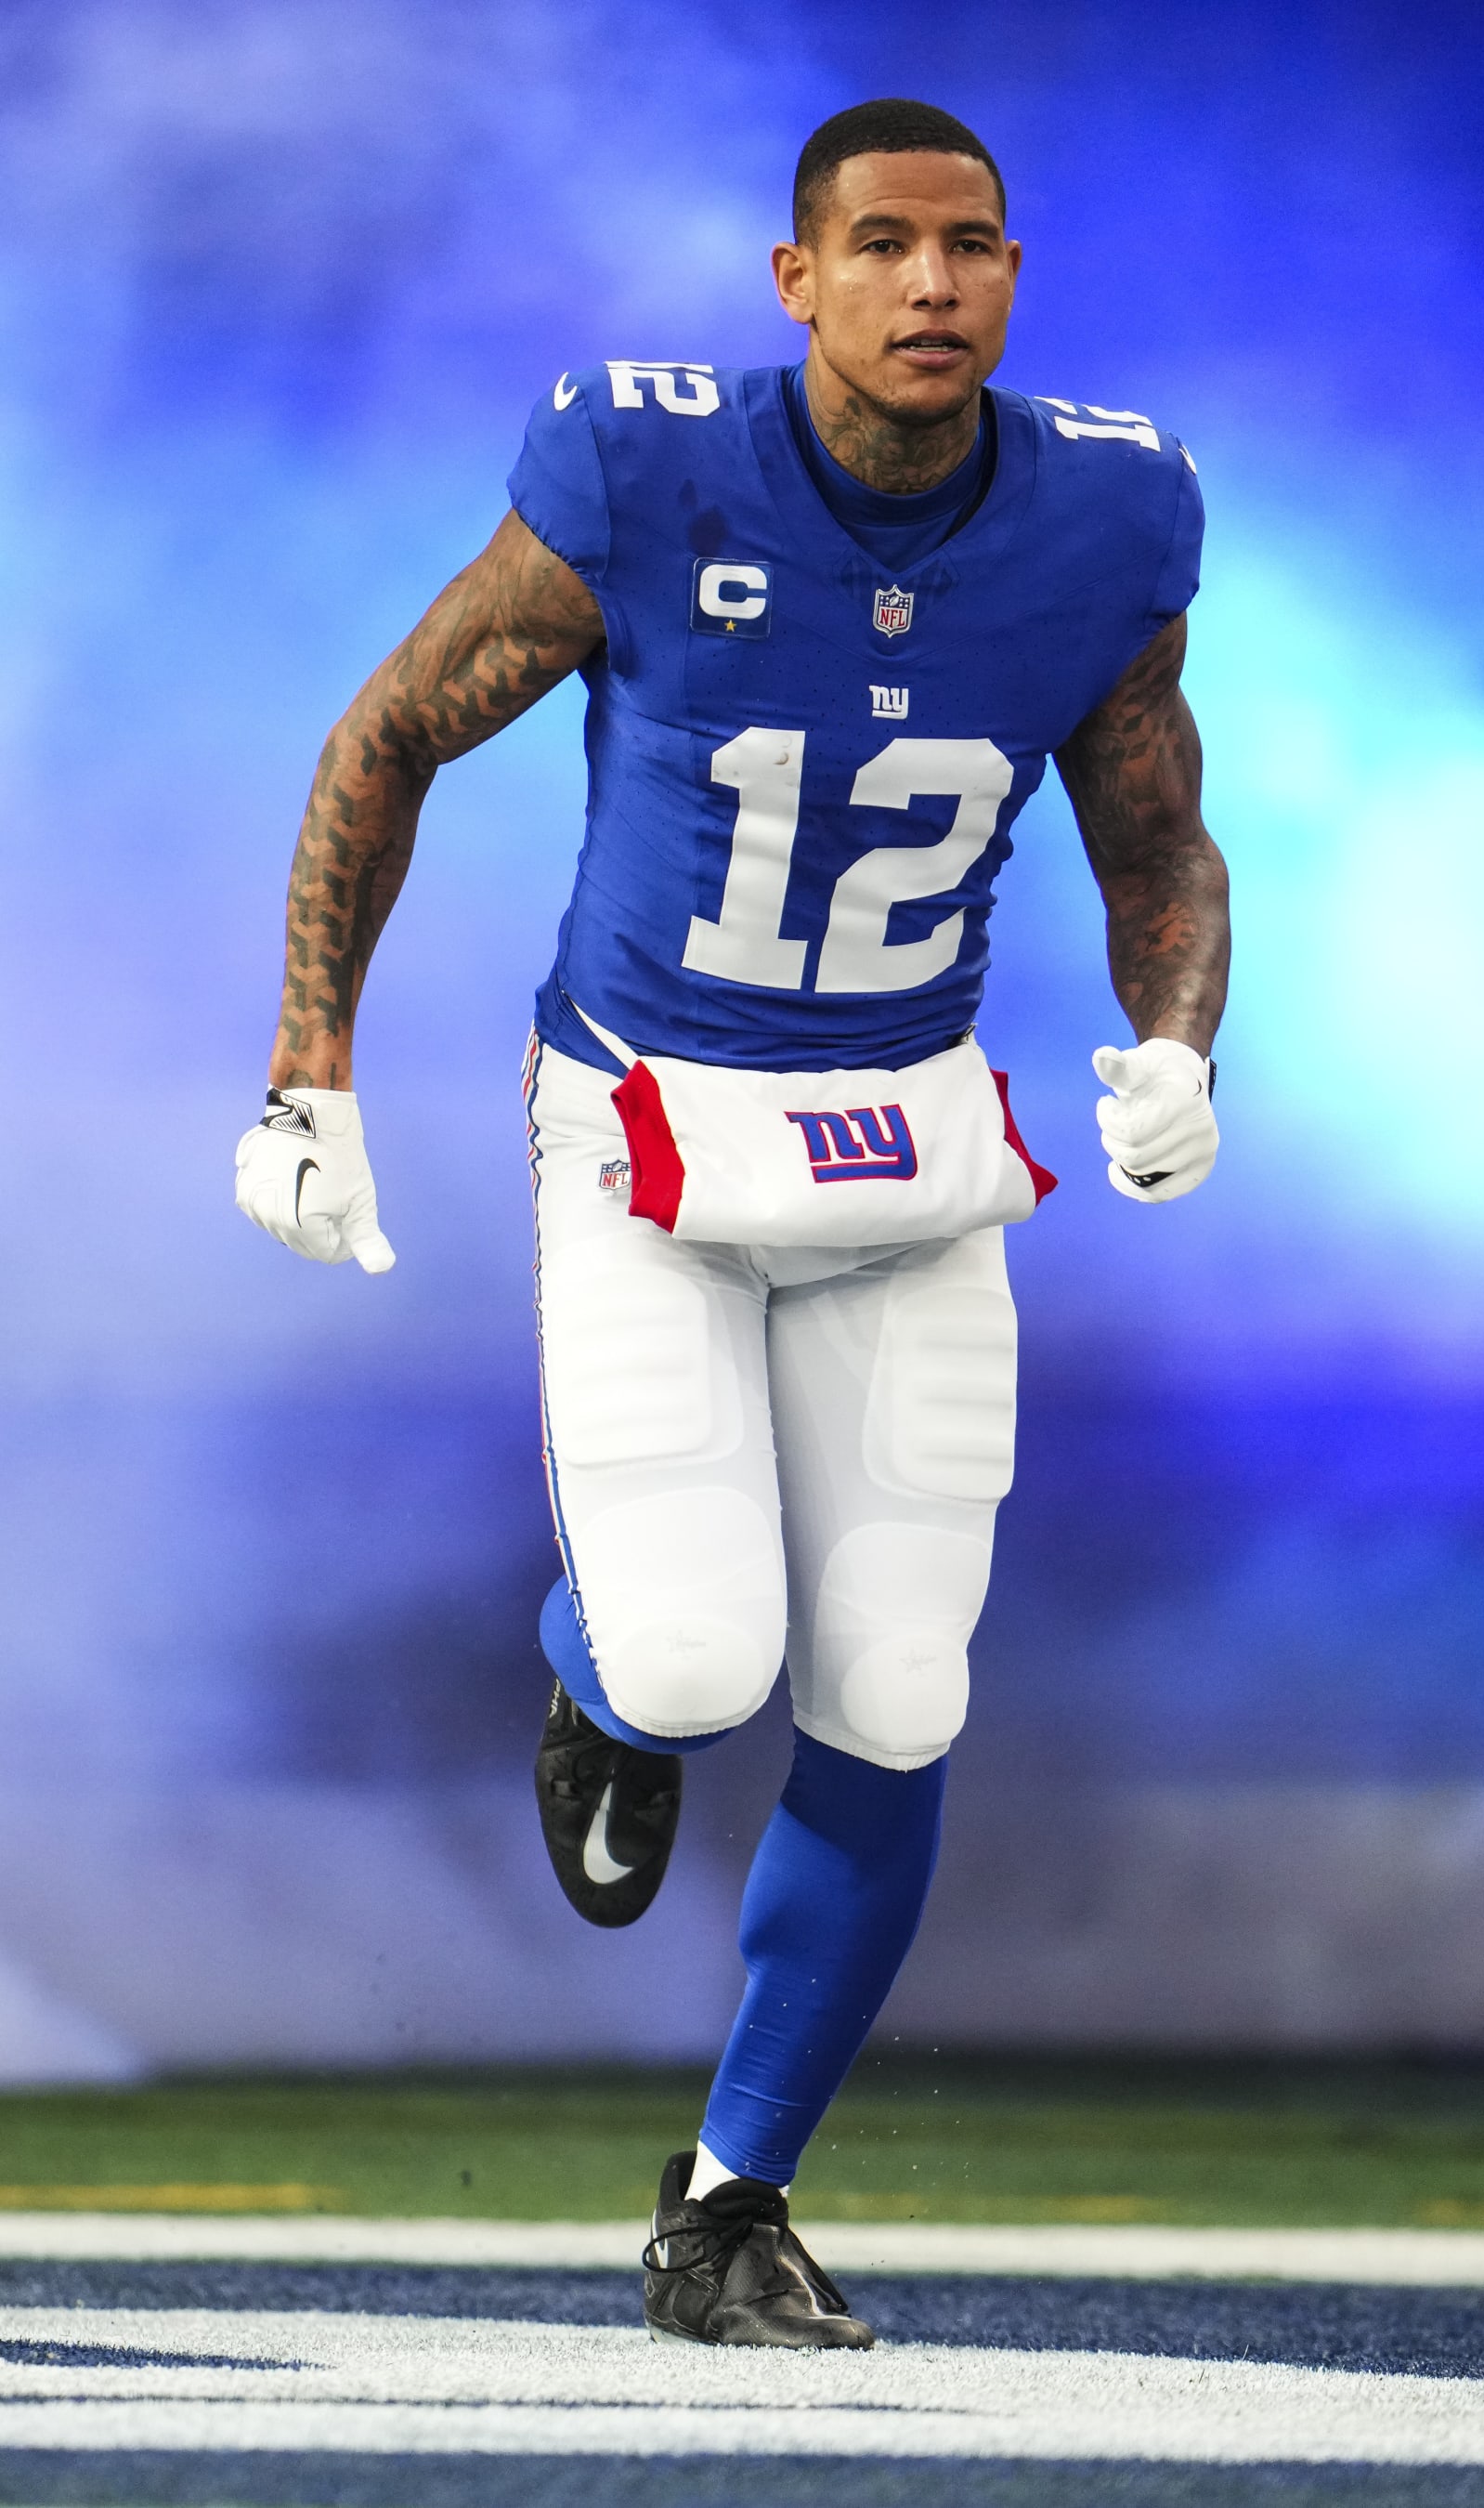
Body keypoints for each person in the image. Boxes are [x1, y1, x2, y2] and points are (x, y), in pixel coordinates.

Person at [235, 96, 1229, 2349]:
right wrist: (310, 1070)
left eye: (973, 244)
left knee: (894, 1691)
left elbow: (1162, 835)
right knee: (696, 1660)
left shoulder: (1109, 512)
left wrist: (1179, 1041)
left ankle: (729, 2200)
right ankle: (599, 1687)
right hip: (648, 1118)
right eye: (881, 245)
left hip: (903, 1139)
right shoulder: (643, 469)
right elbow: (389, 734)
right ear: (798, 280)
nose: (933, 285)